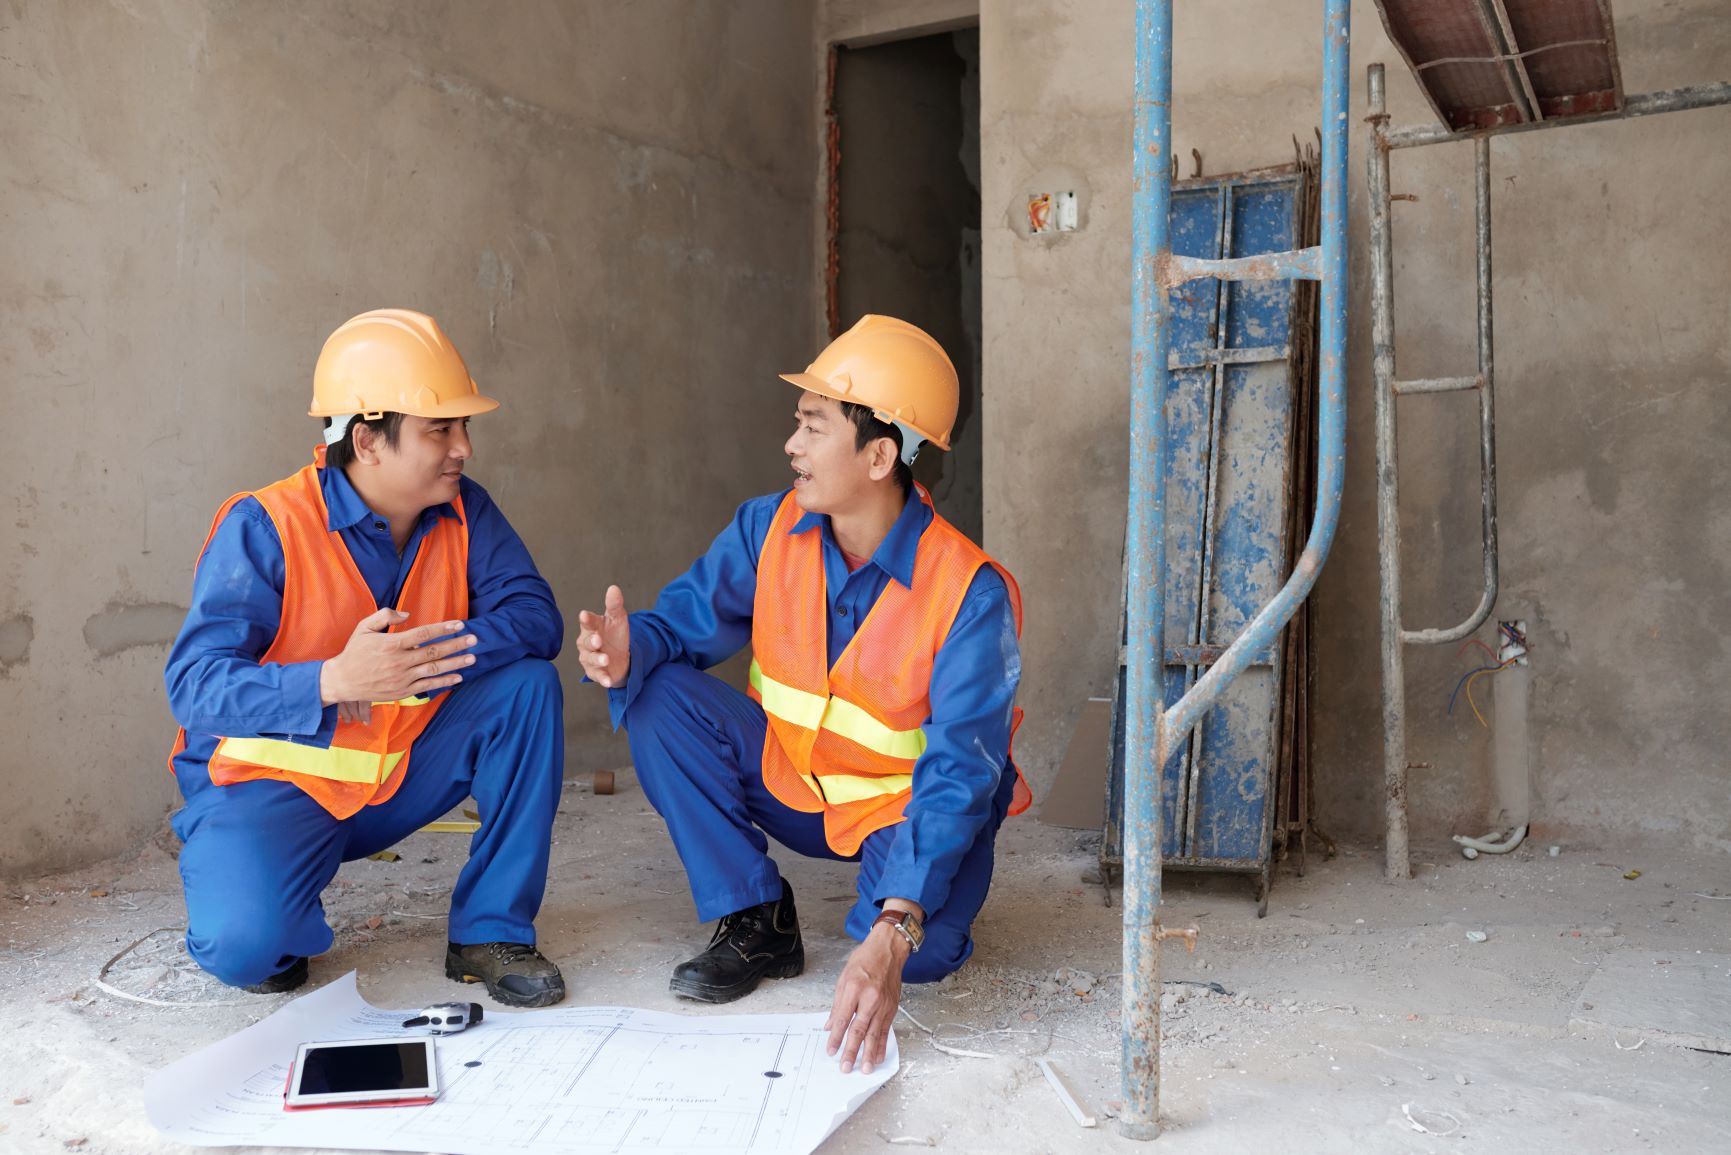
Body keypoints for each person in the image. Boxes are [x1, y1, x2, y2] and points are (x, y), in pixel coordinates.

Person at [575, 315, 1029, 1074]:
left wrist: (894, 927)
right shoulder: (769, 529)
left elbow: (960, 768)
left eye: (813, 427)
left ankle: (895, 908)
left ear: (880, 455)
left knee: (921, 953)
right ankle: (755, 916)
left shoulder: (968, 593)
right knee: (657, 695)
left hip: (898, 809)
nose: (791, 445)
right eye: (798, 424)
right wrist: (630, 651)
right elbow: (682, 626)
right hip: (789, 780)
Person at [164, 309, 567, 1007]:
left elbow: (536, 619)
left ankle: (488, 928)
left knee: (529, 687)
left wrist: (422, 657)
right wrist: (330, 680)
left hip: (399, 772)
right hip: (275, 788)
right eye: (440, 429)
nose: (463, 447)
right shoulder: (266, 525)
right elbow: (194, 686)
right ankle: (272, 902)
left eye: (463, 427)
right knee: (245, 949)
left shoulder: (467, 511)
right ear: (367, 441)